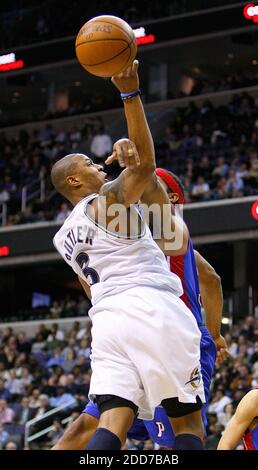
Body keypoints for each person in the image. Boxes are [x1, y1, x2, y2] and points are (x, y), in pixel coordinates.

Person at [51, 60, 205, 450]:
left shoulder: (64, 234)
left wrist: (129, 158)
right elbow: (148, 170)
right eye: (88, 163)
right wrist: (130, 94)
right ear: (73, 180)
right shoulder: (103, 203)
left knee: (113, 420)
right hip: (150, 307)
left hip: (107, 322)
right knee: (187, 424)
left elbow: (89, 289)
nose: (97, 166)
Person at [52, 169, 228, 450]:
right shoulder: (143, 232)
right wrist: (216, 333)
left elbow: (209, 278)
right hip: (157, 328)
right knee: (180, 427)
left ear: (168, 197)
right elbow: (212, 279)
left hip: (150, 327)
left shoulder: (151, 231)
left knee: (101, 424)